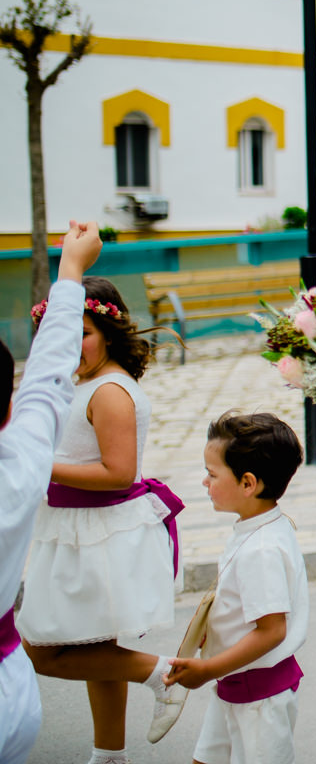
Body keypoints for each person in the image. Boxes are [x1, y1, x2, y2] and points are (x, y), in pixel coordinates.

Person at [19, 276, 188, 762]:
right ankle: (109, 754)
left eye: (83, 333)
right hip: (76, 529)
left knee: (42, 649)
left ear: (109, 330)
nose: (73, 346)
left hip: (97, 533)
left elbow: (118, 473)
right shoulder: (87, 383)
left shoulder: (111, 391)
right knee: (96, 648)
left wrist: (34, 460)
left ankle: (162, 674)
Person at [0, 221, 101, 764]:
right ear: (7, 411)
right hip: (12, 698)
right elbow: (46, 380)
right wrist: (70, 272)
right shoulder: (22, 459)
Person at [166, 412, 307, 764]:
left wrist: (208, 670)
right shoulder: (261, 526)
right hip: (235, 685)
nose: (204, 482)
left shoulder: (261, 549)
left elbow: (272, 631)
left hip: (259, 698)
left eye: (212, 474)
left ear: (248, 483)